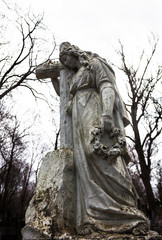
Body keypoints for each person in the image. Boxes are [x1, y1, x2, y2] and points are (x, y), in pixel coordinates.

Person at [59, 42, 150, 235]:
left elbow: (106, 85)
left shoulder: (93, 64)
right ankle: (94, 214)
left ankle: (123, 208)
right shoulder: (74, 76)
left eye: (65, 59)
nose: (65, 63)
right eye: (63, 62)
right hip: (79, 119)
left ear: (73, 53)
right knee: (84, 161)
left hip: (94, 109)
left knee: (97, 153)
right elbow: (64, 94)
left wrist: (107, 114)